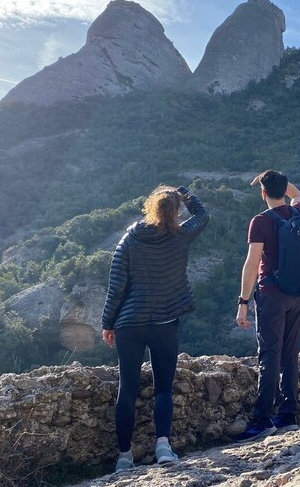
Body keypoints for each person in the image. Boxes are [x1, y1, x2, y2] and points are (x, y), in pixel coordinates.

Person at [101, 185, 209, 472]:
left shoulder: (129, 239)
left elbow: (117, 286)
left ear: (150, 207)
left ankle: (124, 458)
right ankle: (163, 447)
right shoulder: (181, 236)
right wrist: (186, 194)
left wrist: (107, 323)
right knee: (163, 388)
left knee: (127, 389)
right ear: (175, 213)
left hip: (129, 324)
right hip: (164, 322)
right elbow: (202, 215)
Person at [234, 170, 300, 443]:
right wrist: (277, 181)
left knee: (269, 355)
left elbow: (252, 264)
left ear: (262, 193)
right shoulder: (297, 212)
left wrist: (242, 302)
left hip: (271, 294)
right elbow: (297, 194)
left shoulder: (260, 221)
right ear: (283, 189)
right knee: (290, 353)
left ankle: (263, 420)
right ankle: (288, 415)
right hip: (298, 294)